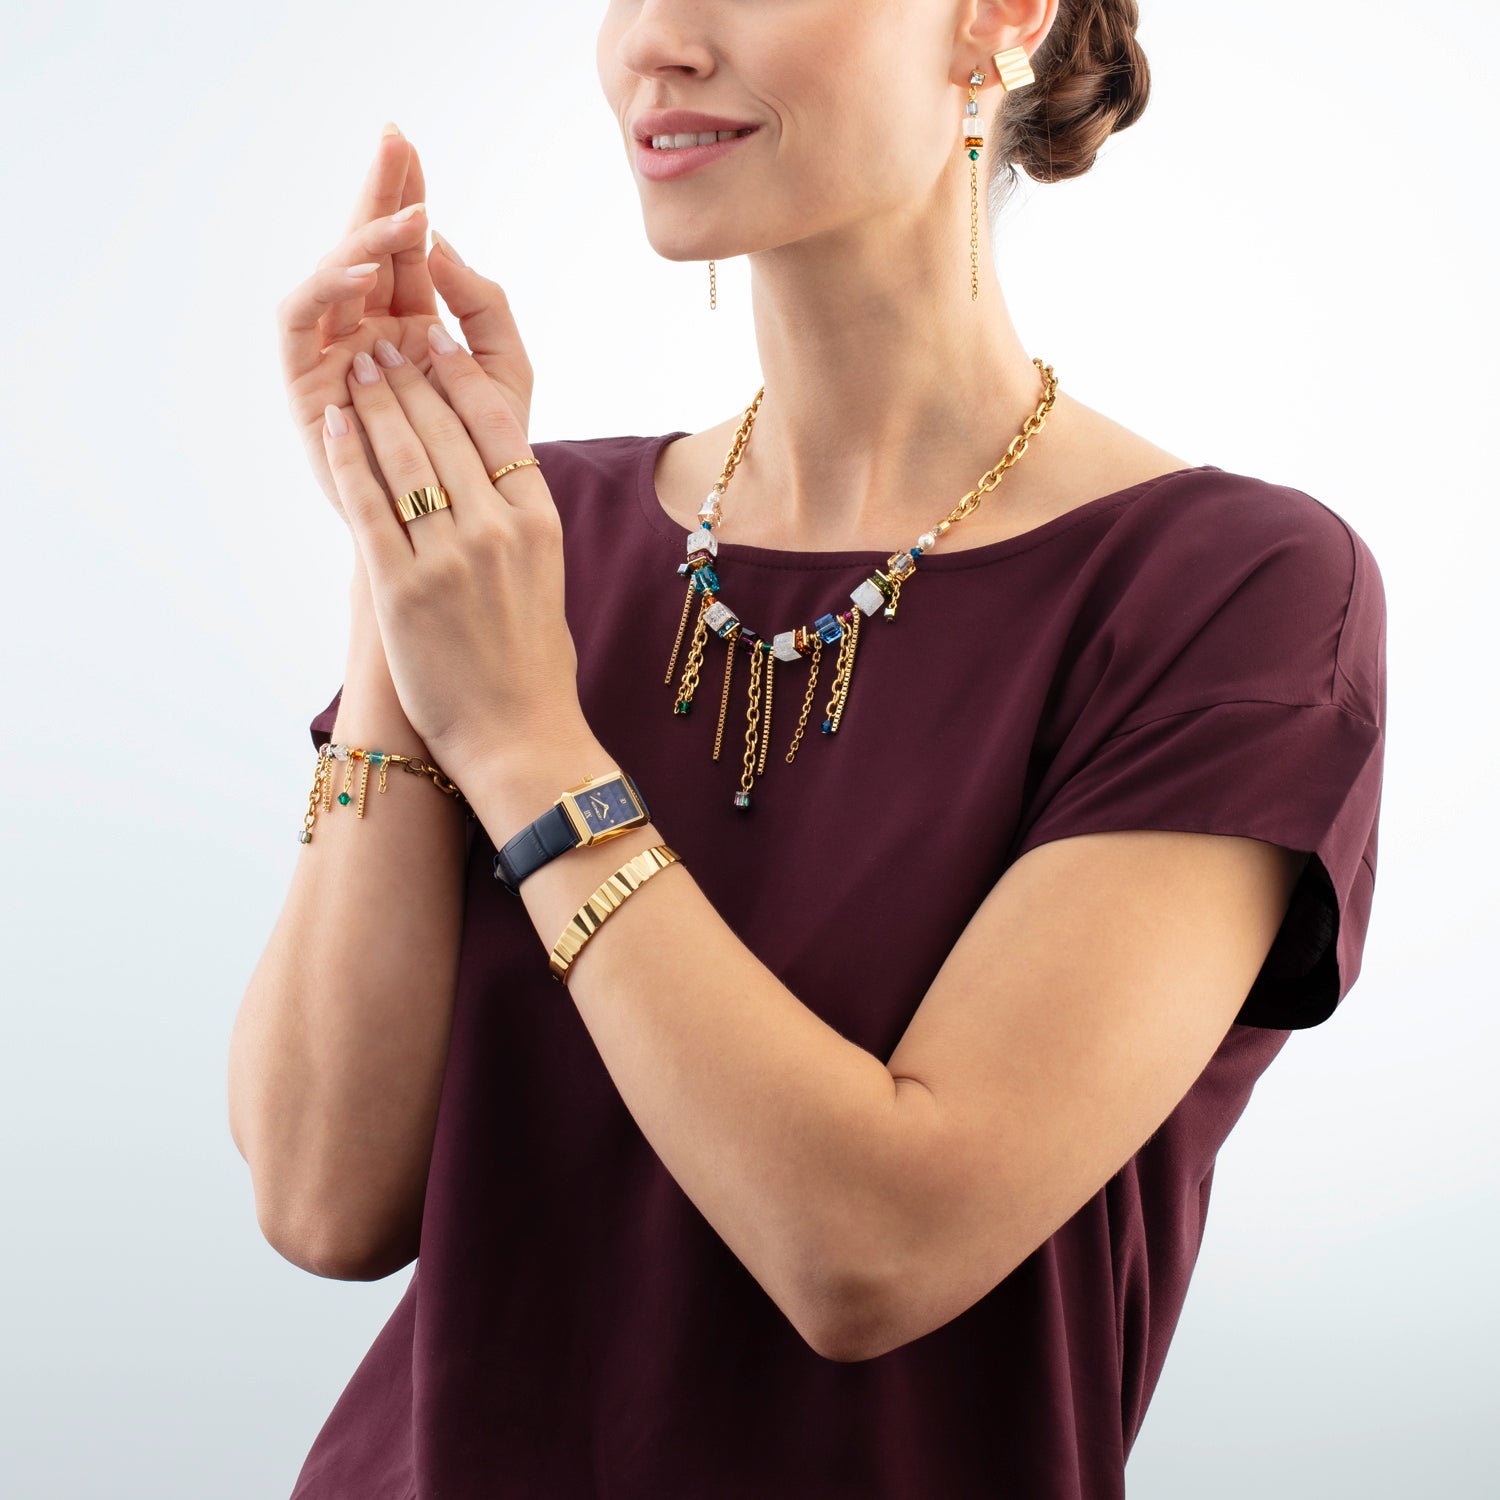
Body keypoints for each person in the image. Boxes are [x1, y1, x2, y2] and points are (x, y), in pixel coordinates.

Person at [230, 1, 1387, 1496]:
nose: (654, 38)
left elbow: (875, 1249)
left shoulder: (1229, 597)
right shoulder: (528, 541)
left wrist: (522, 736)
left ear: (1001, 19)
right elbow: (324, 1199)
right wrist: (408, 567)